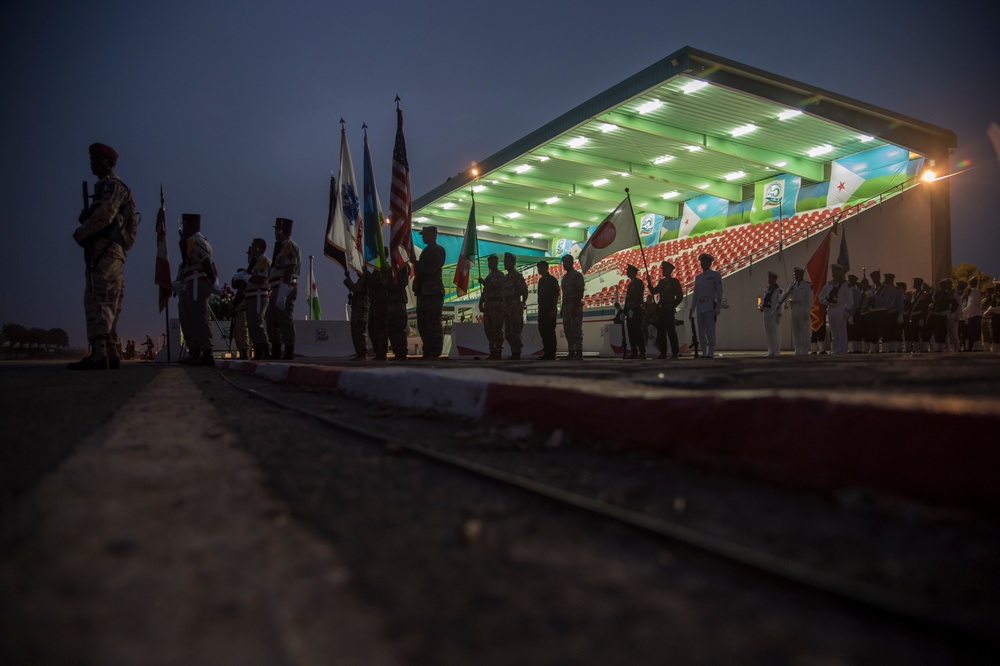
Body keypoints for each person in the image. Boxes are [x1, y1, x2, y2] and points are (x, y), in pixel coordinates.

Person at [69, 142, 135, 371]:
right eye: (92, 159)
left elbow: (107, 214)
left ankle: (99, 353)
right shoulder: (109, 188)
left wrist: (83, 231)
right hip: (112, 251)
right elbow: (131, 229)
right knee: (110, 301)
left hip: (105, 251)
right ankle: (111, 352)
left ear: (109, 163)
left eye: (98, 159)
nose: (93, 163)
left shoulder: (112, 186)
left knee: (99, 300)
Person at [176, 213, 220, 366]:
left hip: (198, 284)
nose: (183, 228)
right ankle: (195, 350)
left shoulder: (197, 241)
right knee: (189, 319)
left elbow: (208, 264)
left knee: (199, 318)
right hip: (190, 283)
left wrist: (215, 283)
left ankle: (206, 351)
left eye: (185, 225)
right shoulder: (190, 242)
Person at [267, 217, 301, 360]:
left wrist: (283, 291)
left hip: (284, 287)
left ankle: (288, 350)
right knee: (271, 319)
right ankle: (275, 349)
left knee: (284, 319)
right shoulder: (281, 247)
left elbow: (289, 269)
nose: (275, 232)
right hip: (276, 287)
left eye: (276, 229)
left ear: (281, 230)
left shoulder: (288, 246)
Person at [234, 238, 271, 360]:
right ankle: (258, 350)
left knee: (257, 323)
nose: (251, 248)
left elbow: (261, 278)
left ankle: (264, 349)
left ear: (259, 248)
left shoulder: (263, 261)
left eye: (254, 246)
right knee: (251, 324)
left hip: (259, 295)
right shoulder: (255, 262)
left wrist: (246, 277)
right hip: (251, 295)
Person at [413, 226, 445, 359]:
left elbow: (431, 269)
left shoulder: (438, 250)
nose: (422, 237)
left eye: (425, 234)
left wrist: (416, 263)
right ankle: (427, 350)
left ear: (433, 235)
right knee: (423, 323)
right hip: (424, 293)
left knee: (433, 323)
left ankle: (434, 351)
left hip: (433, 292)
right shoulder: (427, 250)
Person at [689, 253, 723, 358]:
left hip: (710, 305)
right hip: (700, 305)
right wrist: (692, 308)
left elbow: (719, 291)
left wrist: (718, 306)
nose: (702, 263)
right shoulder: (698, 278)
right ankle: (704, 351)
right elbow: (695, 294)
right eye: (701, 261)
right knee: (701, 330)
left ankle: (711, 351)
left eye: (705, 261)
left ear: (709, 263)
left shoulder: (715, 275)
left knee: (710, 329)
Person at [649, 260, 683, 359]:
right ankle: (663, 353)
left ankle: (675, 352)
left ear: (669, 270)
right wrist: (649, 282)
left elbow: (680, 296)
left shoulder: (674, 282)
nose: (662, 270)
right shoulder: (662, 282)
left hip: (668, 309)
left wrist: (673, 306)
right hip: (661, 309)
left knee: (671, 331)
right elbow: (654, 291)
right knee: (661, 332)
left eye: (664, 269)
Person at [819, 263, 854, 355]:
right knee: (833, 331)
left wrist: (847, 311)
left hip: (840, 309)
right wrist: (825, 302)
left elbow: (850, 299)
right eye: (833, 271)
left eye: (836, 271)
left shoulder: (846, 284)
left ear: (841, 272)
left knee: (841, 330)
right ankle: (835, 349)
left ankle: (842, 349)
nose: (834, 273)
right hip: (831, 309)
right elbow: (821, 296)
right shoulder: (829, 284)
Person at [779, 266, 812, 356]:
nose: (795, 276)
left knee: (804, 331)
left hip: (802, 309)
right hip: (794, 309)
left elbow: (809, 299)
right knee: (796, 331)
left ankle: (805, 349)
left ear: (801, 275)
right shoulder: (792, 285)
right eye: (795, 275)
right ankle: (798, 349)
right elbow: (786, 294)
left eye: (797, 274)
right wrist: (780, 302)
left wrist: (807, 311)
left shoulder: (807, 285)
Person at [501, 252, 528, 360]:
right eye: (504, 262)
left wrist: (522, 303)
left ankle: (516, 353)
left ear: (512, 263)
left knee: (515, 330)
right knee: (508, 331)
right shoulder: (506, 277)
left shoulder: (517, 276)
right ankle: (514, 352)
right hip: (507, 305)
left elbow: (524, 291)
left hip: (515, 305)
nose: (505, 263)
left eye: (507, 262)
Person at [478, 254, 504, 360]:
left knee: (497, 329)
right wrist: (481, 302)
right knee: (488, 330)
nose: (490, 264)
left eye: (492, 262)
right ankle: (492, 351)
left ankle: (498, 351)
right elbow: (485, 292)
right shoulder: (489, 276)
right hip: (488, 305)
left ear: (496, 263)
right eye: (489, 262)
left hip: (496, 305)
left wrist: (483, 282)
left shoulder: (500, 275)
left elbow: (493, 285)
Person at [560, 254, 585, 360]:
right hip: (566, 306)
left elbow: (580, 292)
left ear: (571, 263)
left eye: (566, 262)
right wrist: (562, 308)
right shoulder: (564, 278)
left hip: (575, 304)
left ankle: (578, 351)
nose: (564, 265)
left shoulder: (577, 276)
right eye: (563, 262)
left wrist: (574, 307)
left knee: (576, 329)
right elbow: (564, 295)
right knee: (567, 329)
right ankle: (571, 351)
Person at [535, 260, 559, 360]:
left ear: (546, 268)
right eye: (538, 268)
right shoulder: (541, 281)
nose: (539, 269)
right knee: (543, 330)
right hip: (542, 309)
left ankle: (551, 353)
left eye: (540, 267)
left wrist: (553, 309)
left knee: (549, 331)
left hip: (549, 308)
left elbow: (555, 295)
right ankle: (547, 352)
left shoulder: (552, 280)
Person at [344, 268, 370, 360]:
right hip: (357, 307)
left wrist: (348, 278)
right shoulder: (361, 279)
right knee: (355, 331)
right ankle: (359, 353)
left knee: (360, 330)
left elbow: (355, 288)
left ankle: (363, 354)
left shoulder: (365, 278)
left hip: (362, 309)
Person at [387, 263, 411, 360]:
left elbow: (401, 283)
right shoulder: (394, 268)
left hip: (398, 300)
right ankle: (398, 352)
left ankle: (401, 353)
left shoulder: (403, 266)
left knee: (399, 328)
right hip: (393, 301)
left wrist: (387, 284)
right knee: (392, 329)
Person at [623, 264, 646, 359]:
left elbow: (638, 297)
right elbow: (627, 299)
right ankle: (634, 352)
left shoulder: (638, 283)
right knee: (631, 332)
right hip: (630, 310)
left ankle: (642, 352)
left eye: (628, 271)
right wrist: (625, 311)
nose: (627, 272)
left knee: (638, 331)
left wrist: (633, 308)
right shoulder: (630, 284)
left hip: (636, 309)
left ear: (633, 272)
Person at [368, 265, 390, 361]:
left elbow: (375, 282)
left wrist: (365, 272)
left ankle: (382, 353)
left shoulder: (386, 268)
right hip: (374, 301)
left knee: (381, 329)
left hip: (381, 302)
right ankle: (378, 352)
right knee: (372, 329)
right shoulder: (376, 269)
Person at [759, 271, 783, 357]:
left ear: (775, 279)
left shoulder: (779, 290)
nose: (769, 279)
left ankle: (776, 351)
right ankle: (770, 350)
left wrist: (779, 314)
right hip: (766, 312)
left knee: (776, 332)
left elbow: (780, 302)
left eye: (771, 278)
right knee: (768, 332)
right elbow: (763, 299)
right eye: (768, 278)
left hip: (774, 312)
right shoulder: (766, 289)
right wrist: (761, 306)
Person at [230, 267, 250, 359]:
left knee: (243, 333)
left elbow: (245, 302)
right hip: (237, 314)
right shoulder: (240, 291)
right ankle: (241, 352)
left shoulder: (246, 290)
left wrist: (236, 310)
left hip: (242, 313)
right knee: (237, 334)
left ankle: (245, 353)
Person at [962, 276, 983, 351]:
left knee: (971, 332)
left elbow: (971, 304)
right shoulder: (977, 291)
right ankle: (978, 347)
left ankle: (971, 348)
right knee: (977, 332)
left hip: (972, 314)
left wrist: (962, 312)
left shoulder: (971, 291)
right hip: (978, 314)